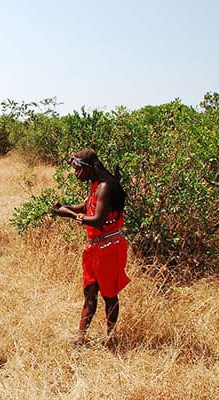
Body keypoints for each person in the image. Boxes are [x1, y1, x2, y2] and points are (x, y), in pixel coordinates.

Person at [52, 149, 130, 347]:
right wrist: (66, 208)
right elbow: (87, 206)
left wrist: (69, 215)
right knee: (90, 292)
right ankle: (80, 339)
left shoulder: (105, 187)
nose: (76, 173)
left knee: (109, 295)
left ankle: (112, 338)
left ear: (88, 168)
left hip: (109, 246)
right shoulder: (95, 185)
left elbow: (97, 220)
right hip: (95, 247)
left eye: (78, 169)